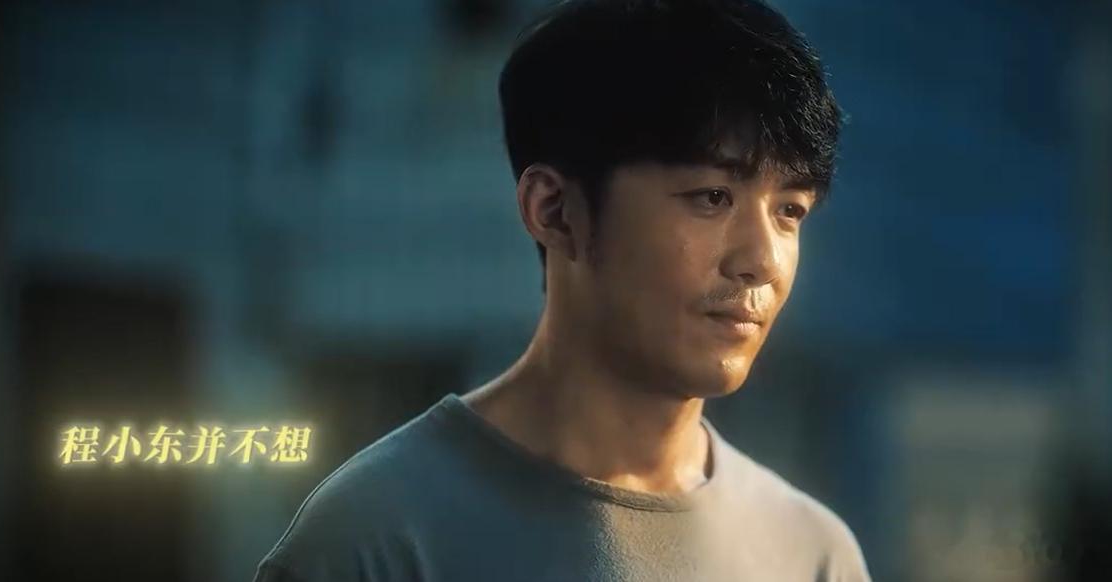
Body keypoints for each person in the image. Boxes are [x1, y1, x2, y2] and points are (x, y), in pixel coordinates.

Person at [254, 0, 868, 580]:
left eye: (790, 211)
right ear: (554, 211)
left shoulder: (813, 553)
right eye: (712, 197)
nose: (762, 261)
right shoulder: (377, 539)